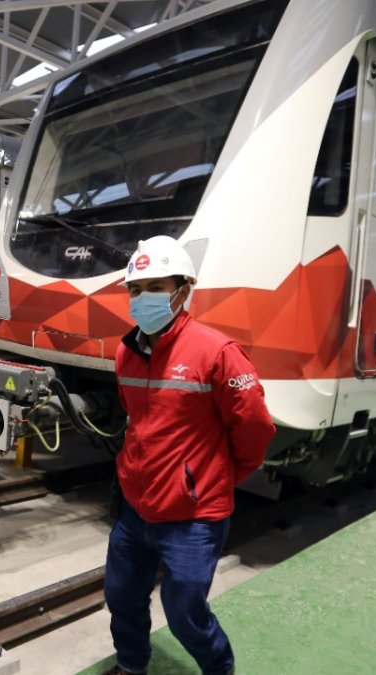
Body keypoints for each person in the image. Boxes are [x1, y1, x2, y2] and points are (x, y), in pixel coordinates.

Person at [103, 235, 276, 675]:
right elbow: (136, 420)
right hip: (134, 508)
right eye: (135, 290)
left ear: (183, 290)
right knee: (122, 596)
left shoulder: (216, 353)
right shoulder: (127, 351)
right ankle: (131, 665)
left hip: (193, 516)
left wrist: (215, 477)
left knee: (184, 613)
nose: (142, 299)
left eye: (155, 288)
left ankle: (220, 669)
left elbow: (255, 427)